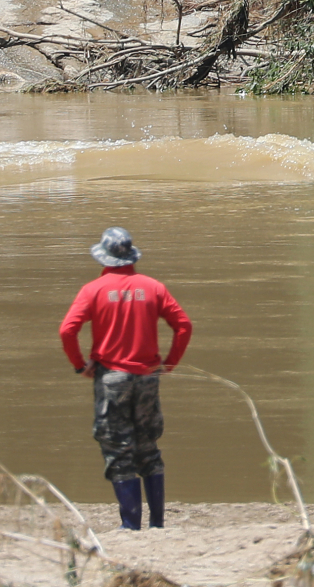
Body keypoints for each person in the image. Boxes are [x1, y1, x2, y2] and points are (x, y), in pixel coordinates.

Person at [60, 227, 192, 531]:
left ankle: (131, 525)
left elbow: (67, 330)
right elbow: (183, 325)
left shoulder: (93, 290)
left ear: (104, 258)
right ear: (131, 256)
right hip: (147, 377)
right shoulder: (154, 287)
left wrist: (80, 366)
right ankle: (157, 524)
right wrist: (170, 363)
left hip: (112, 379)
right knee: (148, 448)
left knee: (118, 448)